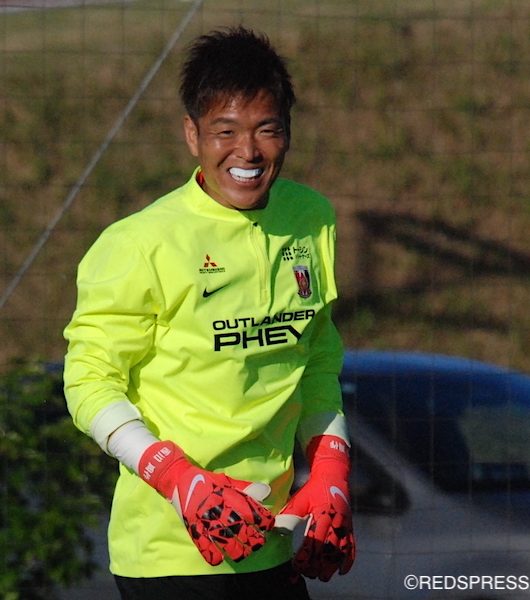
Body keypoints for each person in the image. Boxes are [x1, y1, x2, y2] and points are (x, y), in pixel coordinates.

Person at [63, 26, 355, 600]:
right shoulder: (137, 243)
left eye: (267, 129)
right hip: (169, 557)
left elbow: (317, 360)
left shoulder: (311, 217)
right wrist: (179, 480)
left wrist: (331, 472)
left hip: (273, 543)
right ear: (192, 134)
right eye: (226, 131)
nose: (247, 152)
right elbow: (89, 384)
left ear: (288, 132)